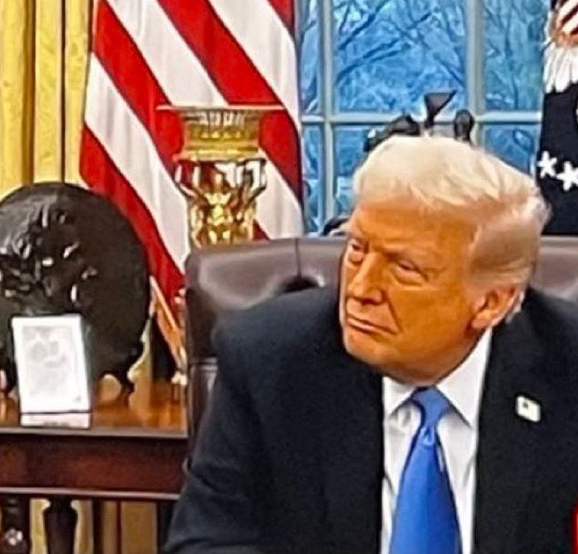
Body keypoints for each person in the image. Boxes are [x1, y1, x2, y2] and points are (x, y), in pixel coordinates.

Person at [166, 135, 578, 553]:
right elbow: (206, 543)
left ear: (491, 302)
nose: (360, 289)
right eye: (358, 249)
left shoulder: (567, 365)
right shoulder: (272, 360)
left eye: (405, 268)